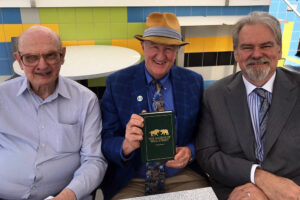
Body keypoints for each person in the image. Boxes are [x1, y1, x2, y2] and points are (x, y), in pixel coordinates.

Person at [100, 12, 208, 199]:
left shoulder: (193, 82)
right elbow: (105, 139)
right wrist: (125, 145)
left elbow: (205, 132)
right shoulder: (117, 83)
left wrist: (190, 151)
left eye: (169, 49)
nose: (161, 55)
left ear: (177, 51)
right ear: (143, 46)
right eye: (154, 46)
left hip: (182, 176)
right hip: (133, 180)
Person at [196, 11, 300, 200]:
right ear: (236, 53)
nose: (256, 54)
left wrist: (283, 190)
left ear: (279, 50)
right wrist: (257, 177)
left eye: (266, 46)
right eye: (247, 47)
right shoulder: (214, 96)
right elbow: (207, 155)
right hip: (236, 192)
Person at [0, 25, 107, 200]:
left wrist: (68, 195)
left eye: (50, 55)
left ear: (62, 55)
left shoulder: (85, 100)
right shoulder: (2, 97)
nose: (42, 65)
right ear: (19, 60)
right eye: (31, 58)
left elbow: (94, 161)